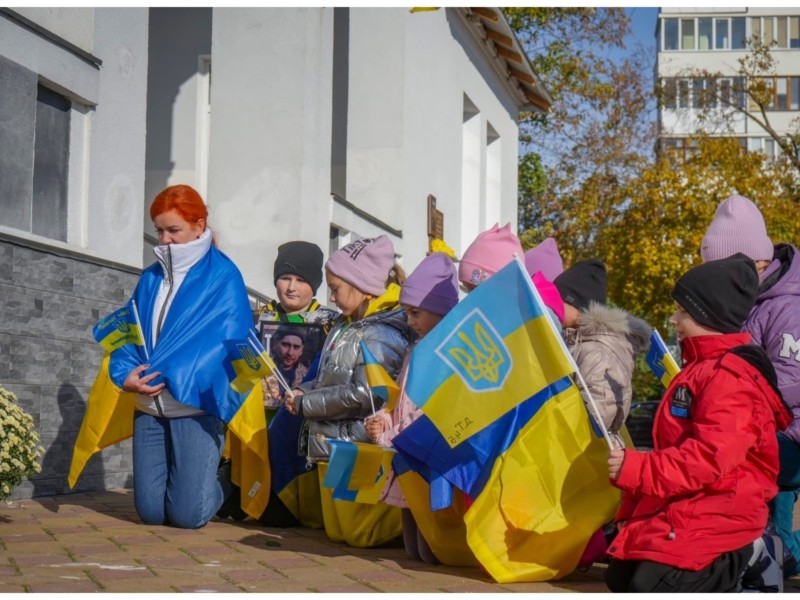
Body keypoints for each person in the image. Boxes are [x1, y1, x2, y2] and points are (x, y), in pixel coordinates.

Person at [604, 254, 792, 593]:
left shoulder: (729, 378)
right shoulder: (699, 367)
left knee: (653, 585)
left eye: (684, 312)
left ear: (710, 316)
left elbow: (708, 458)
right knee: (620, 576)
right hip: (696, 501)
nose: (674, 320)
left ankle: (754, 555)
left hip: (724, 507)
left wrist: (638, 470)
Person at [110, 184, 256, 529]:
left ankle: (226, 482)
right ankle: (199, 481)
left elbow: (231, 342)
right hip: (149, 406)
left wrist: (174, 374)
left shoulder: (224, 276)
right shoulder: (150, 277)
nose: (165, 239)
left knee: (187, 517)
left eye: (173, 230)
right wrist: (124, 374)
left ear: (199, 226)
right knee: (151, 513)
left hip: (195, 407)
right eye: (159, 230)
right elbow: (128, 331)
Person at [285, 235, 412, 547]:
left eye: (336, 288)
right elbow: (331, 378)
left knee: (359, 534)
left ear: (362, 285)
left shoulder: (379, 333)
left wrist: (307, 404)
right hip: (333, 443)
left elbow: (366, 394)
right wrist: (303, 389)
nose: (331, 295)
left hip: (357, 446)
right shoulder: (347, 326)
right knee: (340, 532)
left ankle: (412, 512)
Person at [700, 194, 800, 575]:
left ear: (752, 263)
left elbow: (788, 382)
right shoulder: (747, 300)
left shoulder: (788, 307)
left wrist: (726, 398)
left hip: (786, 436)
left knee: (729, 455)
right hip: (765, 431)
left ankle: (769, 550)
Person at [219, 240, 337, 528]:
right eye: (285, 278)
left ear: (316, 284)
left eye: (301, 280)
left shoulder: (329, 323)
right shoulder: (258, 318)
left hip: (300, 423)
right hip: (258, 415)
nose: (291, 287)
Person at [365, 252, 460, 563]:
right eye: (407, 312)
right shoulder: (416, 350)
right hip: (406, 453)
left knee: (430, 551)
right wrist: (384, 419)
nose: (410, 321)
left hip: (425, 458)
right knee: (412, 550)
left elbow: (433, 409)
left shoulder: (449, 354)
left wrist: (394, 432)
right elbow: (402, 398)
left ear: (440, 310)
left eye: (416, 312)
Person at [553, 259, 651, 435]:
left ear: (577, 306)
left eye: (558, 300)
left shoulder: (596, 353)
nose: (552, 306)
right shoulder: (579, 343)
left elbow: (597, 417)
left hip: (582, 455)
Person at [460, 223, 564, 326]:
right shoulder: (495, 316)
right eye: (466, 289)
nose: (468, 298)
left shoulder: (528, 322)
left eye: (474, 289)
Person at [266, 326, 308, 404]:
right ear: (276, 344)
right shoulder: (262, 370)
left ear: (301, 350)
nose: (290, 352)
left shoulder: (308, 376)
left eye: (296, 347)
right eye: (286, 345)